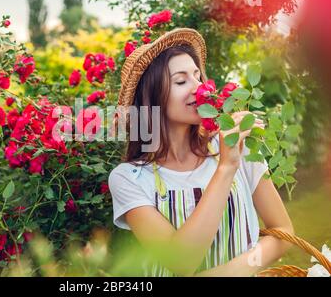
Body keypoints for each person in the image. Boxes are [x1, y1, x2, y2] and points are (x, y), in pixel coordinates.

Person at [108, 28, 294, 277]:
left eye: (197, 76)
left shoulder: (236, 145)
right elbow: (181, 262)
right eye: (181, 81)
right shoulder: (129, 178)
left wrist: (227, 273)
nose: (199, 88)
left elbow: (283, 232)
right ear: (152, 99)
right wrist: (226, 168)